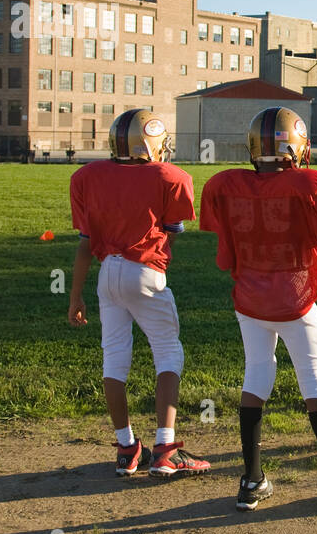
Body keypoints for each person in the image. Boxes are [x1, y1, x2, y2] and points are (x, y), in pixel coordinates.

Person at [199, 107, 317, 512]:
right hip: (296, 298)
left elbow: (224, 250)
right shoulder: (312, 183)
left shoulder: (224, 184)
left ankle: (251, 480)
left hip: (249, 299)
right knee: (313, 377)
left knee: (256, 372)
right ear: (296, 144)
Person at [67, 108, 211, 478]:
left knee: (114, 359)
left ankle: (127, 448)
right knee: (167, 352)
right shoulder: (169, 176)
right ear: (153, 144)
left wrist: (75, 296)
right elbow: (173, 233)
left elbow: (85, 244)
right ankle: (165, 448)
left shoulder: (88, 176)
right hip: (145, 271)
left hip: (106, 274)